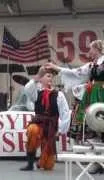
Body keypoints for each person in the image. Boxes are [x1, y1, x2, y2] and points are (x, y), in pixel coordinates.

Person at [45, 39, 104, 174]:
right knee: (91, 128)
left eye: (91, 49)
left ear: (97, 49)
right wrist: (56, 68)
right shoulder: (91, 65)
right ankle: (97, 162)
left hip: (101, 95)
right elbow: (75, 72)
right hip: (92, 96)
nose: (89, 51)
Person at [20, 66, 71, 171]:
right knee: (32, 130)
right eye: (48, 76)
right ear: (41, 79)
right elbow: (27, 89)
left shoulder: (59, 95)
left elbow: (65, 113)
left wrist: (61, 130)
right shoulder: (36, 93)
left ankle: (43, 160)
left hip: (51, 125)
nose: (50, 79)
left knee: (47, 166)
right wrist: (37, 76)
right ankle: (30, 163)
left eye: (51, 77)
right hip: (39, 123)